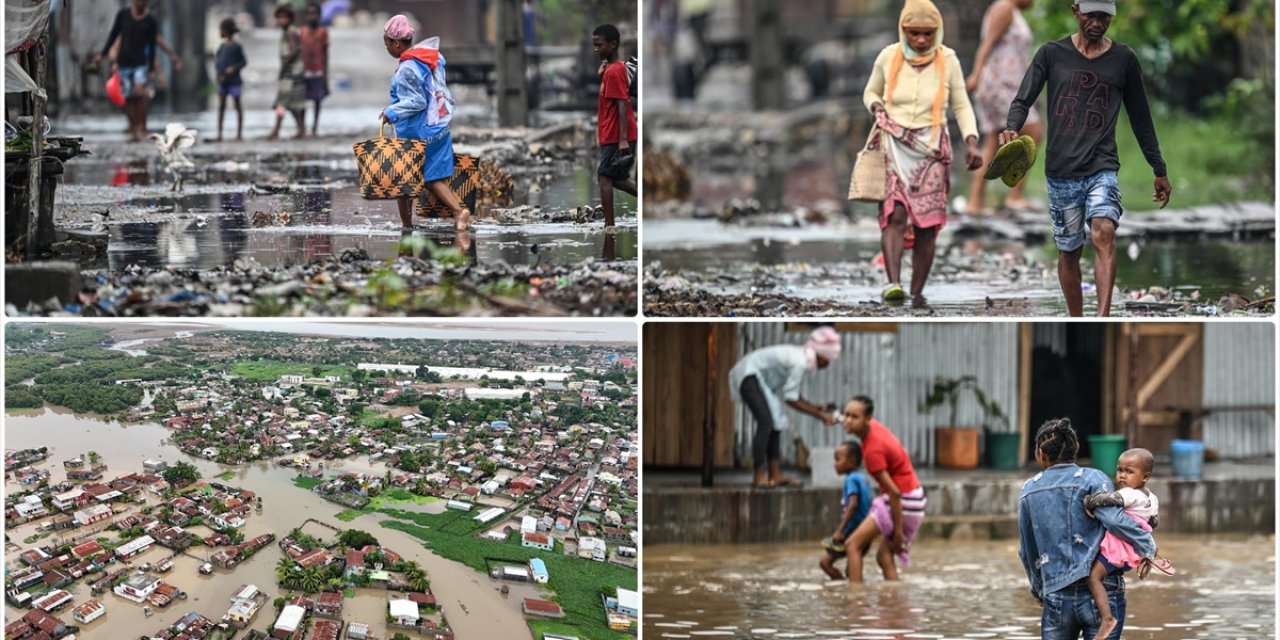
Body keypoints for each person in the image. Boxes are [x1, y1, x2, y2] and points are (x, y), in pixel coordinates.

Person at [1002, 0, 1172, 317]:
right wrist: (1011, 127)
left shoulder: (1124, 59)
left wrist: (1159, 168)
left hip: (1101, 165)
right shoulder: (1051, 54)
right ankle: (1077, 319)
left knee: (1104, 230)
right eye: (1091, 16)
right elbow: (1023, 98)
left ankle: (1103, 317)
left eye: (1104, 18)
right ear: (1075, 11)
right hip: (1061, 170)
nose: (1097, 23)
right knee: (1069, 252)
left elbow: (1141, 119)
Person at [862, 0, 982, 303]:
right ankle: (893, 284)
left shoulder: (948, 60)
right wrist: (876, 105)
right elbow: (871, 91)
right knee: (895, 215)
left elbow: (961, 103)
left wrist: (970, 139)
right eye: (913, 33)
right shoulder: (888, 57)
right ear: (903, 30)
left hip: (931, 152)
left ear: (937, 32)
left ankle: (917, 292)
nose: (920, 40)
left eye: (927, 34)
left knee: (927, 226)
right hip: (894, 145)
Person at [1019, 418, 1157, 640]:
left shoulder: (1029, 489)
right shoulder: (1094, 478)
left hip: (1056, 592)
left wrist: (1039, 589)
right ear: (1077, 448)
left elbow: (1027, 550)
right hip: (1103, 590)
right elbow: (1115, 521)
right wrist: (1148, 545)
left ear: (1040, 455)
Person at [380, 15, 472, 232]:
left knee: (406, 181)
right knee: (434, 178)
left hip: (418, 133)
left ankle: (412, 225)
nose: (387, 49)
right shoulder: (430, 58)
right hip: (438, 127)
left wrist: (391, 112)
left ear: (396, 42)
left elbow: (417, 101)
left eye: (387, 44)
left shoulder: (406, 69)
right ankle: (452, 214)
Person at [727, 327, 842, 489]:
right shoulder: (800, 362)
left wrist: (817, 408)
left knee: (776, 422)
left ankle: (776, 475)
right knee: (766, 422)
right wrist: (819, 415)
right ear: (822, 355)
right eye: (828, 359)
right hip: (749, 374)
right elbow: (791, 399)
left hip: (761, 381)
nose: (828, 364)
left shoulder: (802, 357)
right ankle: (759, 476)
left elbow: (792, 393)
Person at [1082, 447, 1175, 640]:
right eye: (1120, 470)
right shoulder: (1151, 497)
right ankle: (1147, 558)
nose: (1122, 476)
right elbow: (1153, 521)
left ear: (1145, 477)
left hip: (1118, 546)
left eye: (1129, 471)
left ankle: (1107, 618)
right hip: (1130, 545)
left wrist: (1090, 501)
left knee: (1093, 577)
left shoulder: (1130, 494)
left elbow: (1110, 499)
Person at [964, 0, 1043, 215]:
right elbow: (987, 44)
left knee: (993, 142)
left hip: (1010, 85)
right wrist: (976, 75)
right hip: (999, 84)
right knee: (1032, 133)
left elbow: (1015, 53)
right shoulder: (1004, 8)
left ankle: (975, 202)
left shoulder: (1013, 11)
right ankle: (1014, 196)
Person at [840, 395, 926, 583]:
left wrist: (898, 531)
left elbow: (894, 492)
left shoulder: (872, 452)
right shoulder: (872, 427)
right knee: (884, 556)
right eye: (846, 415)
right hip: (916, 497)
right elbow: (851, 419)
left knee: (852, 545)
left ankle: (855, 600)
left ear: (867, 419)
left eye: (854, 417)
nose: (847, 421)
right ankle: (897, 601)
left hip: (903, 500)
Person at [95, 0, 183, 142]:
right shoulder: (123, 16)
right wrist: (103, 55)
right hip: (124, 63)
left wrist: (152, 69)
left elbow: (154, 45)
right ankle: (134, 127)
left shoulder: (150, 21)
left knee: (139, 94)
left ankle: (141, 127)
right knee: (128, 98)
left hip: (140, 64)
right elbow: (113, 36)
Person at [592, 24, 638, 228]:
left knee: (604, 176)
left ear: (613, 45)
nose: (595, 49)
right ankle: (610, 223)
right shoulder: (609, 70)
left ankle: (609, 225)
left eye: (599, 45)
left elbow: (622, 103)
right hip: (609, 133)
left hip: (616, 135)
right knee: (614, 178)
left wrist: (622, 138)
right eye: (594, 45)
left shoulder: (614, 71)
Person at [819, 441, 874, 580]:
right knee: (853, 572)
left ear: (851, 462)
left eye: (838, 460)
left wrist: (840, 530)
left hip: (853, 531)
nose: (834, 464)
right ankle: (851, 592)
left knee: (825, 563)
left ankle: (841, 588)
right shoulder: (862, 478)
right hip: (866, 531)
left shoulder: (851, 480)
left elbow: (853, 504)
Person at [268, 5, 307, 140]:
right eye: (279, 18)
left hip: (292, 72)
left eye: (283, 18)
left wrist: (284, 67)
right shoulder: (287, 32)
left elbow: (294, 50)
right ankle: (301, 130)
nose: (280, 21)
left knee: (282, 102)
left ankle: (276, 131)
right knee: (291, 104)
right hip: (291, 71)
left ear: (289, 19)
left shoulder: (291, 32)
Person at [214, 18, 247, 142]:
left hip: (234, 81)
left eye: (221, 30)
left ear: (226, 31)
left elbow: (243, 62)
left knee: (237, 105)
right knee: (221, 107)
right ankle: (219, 134)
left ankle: (239, 134)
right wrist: (219, 75)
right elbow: (217, 63)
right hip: (223, 82)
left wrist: (234, 68)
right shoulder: (221, 47)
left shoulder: (237, 46)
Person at [300, 3, 330, 137]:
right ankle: (302, 128)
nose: (312, 16)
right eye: (309, 14)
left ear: (319, 15)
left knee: (317, 100)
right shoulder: (302, 32)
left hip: (318, 70)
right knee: (302, 100)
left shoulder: (323, 32)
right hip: (304, 70)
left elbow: (325, 54)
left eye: (314, 14)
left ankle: (314, 127)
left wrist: (325, 75)